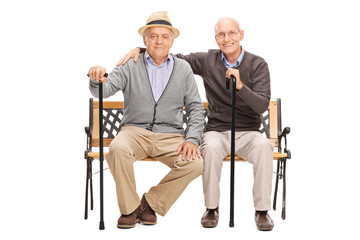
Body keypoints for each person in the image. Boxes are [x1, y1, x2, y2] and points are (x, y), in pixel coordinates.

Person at [117, 17, 274, 231]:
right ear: (216, 38)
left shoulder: (258, 64)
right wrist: (142, 49)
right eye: (221, 34)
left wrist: (240, 87)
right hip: (216, 131)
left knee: (265, 146)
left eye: (231, 33)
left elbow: (262, 106)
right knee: (208, 149)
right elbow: (168, 57)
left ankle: (262, 211)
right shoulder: (207, 60)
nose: (226, 38)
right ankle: (211, 208)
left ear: (241, 35)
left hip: (249, 132)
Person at [88, 11, 204, 229]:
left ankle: (150, 203)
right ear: (144, 39)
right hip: (134, 132)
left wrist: (192, 138)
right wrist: (97, 79)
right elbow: (106, 88)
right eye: (153, 36)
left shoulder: (183, 68)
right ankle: (130, 209)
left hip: (171, 135)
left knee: (196, 164)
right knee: (117, 148)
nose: (159, 40)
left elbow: (196, 107)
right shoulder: (131, 63)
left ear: (172, 40)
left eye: (164, 36)